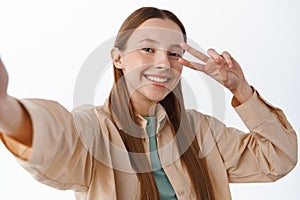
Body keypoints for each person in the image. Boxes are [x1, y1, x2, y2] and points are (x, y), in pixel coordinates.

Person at [0, 6, 297, 200]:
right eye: (147, 49)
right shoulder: (96, 128)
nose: (163, 64)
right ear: (118, 58)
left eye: (174, 54)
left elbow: (278, 158)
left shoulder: (201, 130)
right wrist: (4, 106)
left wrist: (241, 89)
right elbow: (58, 139)